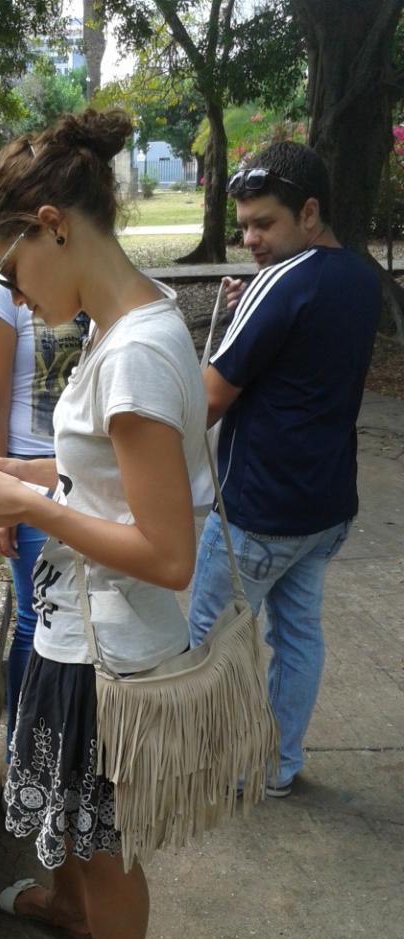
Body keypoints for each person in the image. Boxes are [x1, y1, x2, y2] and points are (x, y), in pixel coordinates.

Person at [0, 109, 206, 939]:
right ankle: (67, 910)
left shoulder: (132, 354)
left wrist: (31, 506)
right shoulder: (126, 324)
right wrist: (19, 472)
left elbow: (170, 554)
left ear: (53, 223)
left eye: (8, 270)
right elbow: (108, 478)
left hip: (108, 647)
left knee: (101, 841)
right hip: (79, 629)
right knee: (83, 828)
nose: (12, 298)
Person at [188, 142, 381, 798]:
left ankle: (185, 763)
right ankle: (277, 769)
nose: (250, 239)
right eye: (243, 225)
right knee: (297, 637)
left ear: (309, 211)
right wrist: (254, 305)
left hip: (259, 512)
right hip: (325, 508)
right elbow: (303, 350)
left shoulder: (281, 283)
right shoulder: (357, 277)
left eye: (264, 223)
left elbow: (207, 399)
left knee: (204, 644)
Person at [0, 280, 87, 755]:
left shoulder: (86, 282)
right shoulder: (3, 298)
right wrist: (0, 503)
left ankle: (65, 743)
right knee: (35, 618)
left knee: (77, 618)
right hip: (27, 469)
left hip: (84, 466)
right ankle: (26, 747)